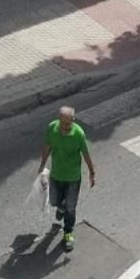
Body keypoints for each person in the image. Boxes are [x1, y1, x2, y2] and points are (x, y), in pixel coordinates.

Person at [37, 104, 96, 251]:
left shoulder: (78, 134)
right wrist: (42, 165)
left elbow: (86, 154)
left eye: (69, 123)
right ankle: (61, 207)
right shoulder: (52, 128)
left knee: (71, 208)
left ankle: (68, 234)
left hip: (72, 178)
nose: (66, 126)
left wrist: (92, 172)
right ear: (59, 120)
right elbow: (47, 147)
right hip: (56, 175)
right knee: (54, 201)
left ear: (73, 120)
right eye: (63, 123)